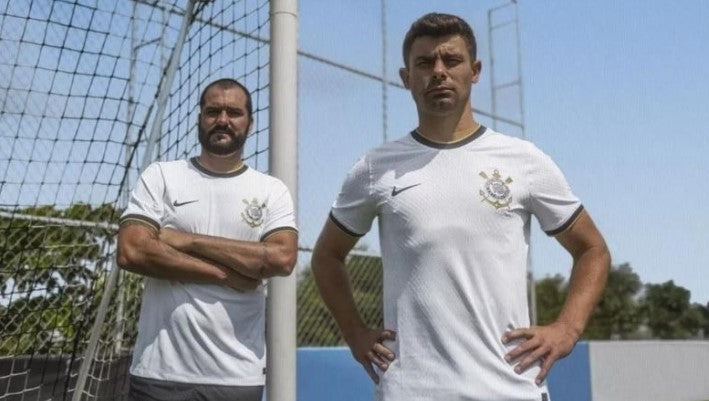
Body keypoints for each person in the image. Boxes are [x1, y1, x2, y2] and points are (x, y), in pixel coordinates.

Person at [311, 12, 610, 401]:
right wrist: (355, 333)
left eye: (451, 60)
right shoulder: (374, 168)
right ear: (406, 78)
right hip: (411, 390)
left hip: (509, 387)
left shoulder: (525, 160)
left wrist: (567, 329)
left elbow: (593, 250)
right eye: (424, 63)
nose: (439, 72)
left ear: (475, 70)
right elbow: (326, 257)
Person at [116, 78, 298, 401]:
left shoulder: (271, 190)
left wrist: (186, 241)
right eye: (213, 111)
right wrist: (227, 274)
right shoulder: (162, 176)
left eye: (234, 112)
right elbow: (132, 249)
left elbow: (281, 258)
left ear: (250, 123)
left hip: (235, 377)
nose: (223, 120)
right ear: (200, 118)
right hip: (159, 374)